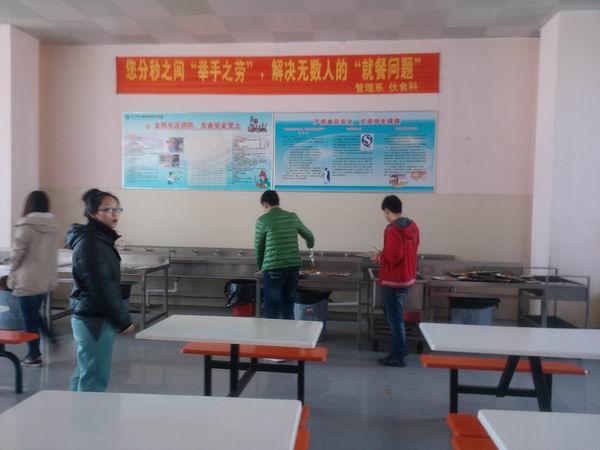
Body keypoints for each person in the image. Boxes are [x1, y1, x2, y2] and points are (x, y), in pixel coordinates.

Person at [65, 189, 135, 392]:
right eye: (108, 209)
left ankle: (73, 408)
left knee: (85, 370)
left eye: (117, 209)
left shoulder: (97, 240)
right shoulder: (92, 243)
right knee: (94, 376)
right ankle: (87, 413)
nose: (115, 214)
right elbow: (102, 287)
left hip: (91, 315)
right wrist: (123, 320)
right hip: (94, 317)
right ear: (93, 213)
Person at [7, 191, 58, 367]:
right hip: (45, 278)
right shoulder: (53, 227)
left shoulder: (25, 225)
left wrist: (11, 268)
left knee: (29, 317)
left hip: (26, 279)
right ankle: (51, 336)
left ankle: (34, 355)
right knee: (33, 313)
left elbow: (17, 253)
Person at [372, 195, 419, 367]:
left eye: (384, 212)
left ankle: (398, 355)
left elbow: (393, 257)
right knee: (395, 315)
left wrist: (379, 257)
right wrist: (385, 253)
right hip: (407, 278)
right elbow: (411, 249)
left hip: (394, 280)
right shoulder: (413, 226)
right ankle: (400, 348)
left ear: (387, 210)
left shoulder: (393, 229)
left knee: (395, 318)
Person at [255, 190, 314, 320]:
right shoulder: (292, 217)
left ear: (265, 204)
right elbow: (309, 236)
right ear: (278, 202)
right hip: (293, 268)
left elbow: (259, 248)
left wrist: (260, 266)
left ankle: (272, 333)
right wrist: (310, 246)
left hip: (273, 268)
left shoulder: (262, 220)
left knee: (272, 309)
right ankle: (289, 333)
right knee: (288, 307)